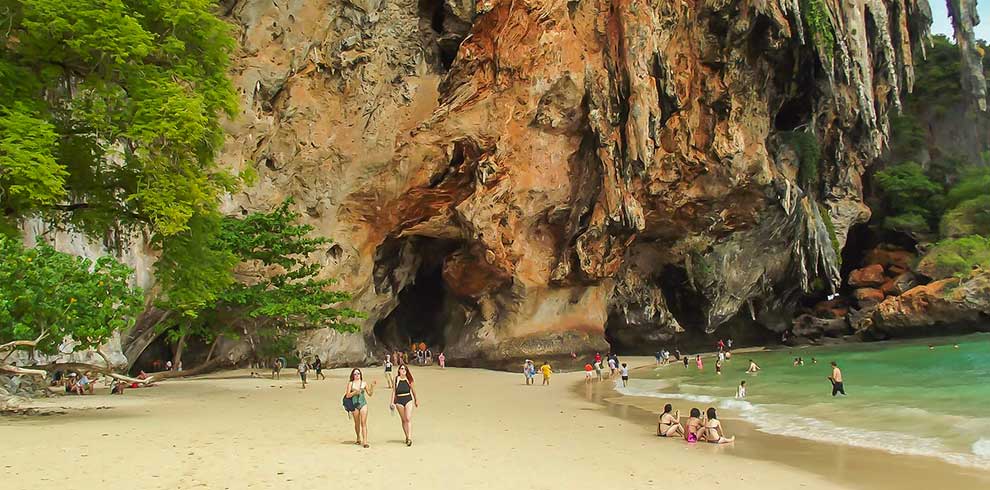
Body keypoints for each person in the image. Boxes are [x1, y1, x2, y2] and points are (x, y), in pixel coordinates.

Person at [343, 368, 376, 448]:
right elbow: (347, 395)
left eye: (358, 374)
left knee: (363, 423)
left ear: (360, 375)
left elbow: (370, 394)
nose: (357, 375)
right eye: (355, 374)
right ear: (353, 375)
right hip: (354, 405)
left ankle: (365, 441)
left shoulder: (364, 383)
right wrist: (355, 392)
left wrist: (372, 386)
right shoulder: (350, 384)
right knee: (357, 423)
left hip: (363, 404)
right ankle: (358, 437)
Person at [390, 364, 419, 446]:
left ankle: (409, 438)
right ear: (399, 370)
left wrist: (416, 399)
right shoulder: (396, 379)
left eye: (404, 369)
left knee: (408, 418)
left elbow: (413, 391)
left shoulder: (409, 380)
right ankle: (406, 436)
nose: (403, 370)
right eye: (401, 369)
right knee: (403, 420)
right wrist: (392, 402)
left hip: (408, 399)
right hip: (399, 400)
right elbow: (394, 391)